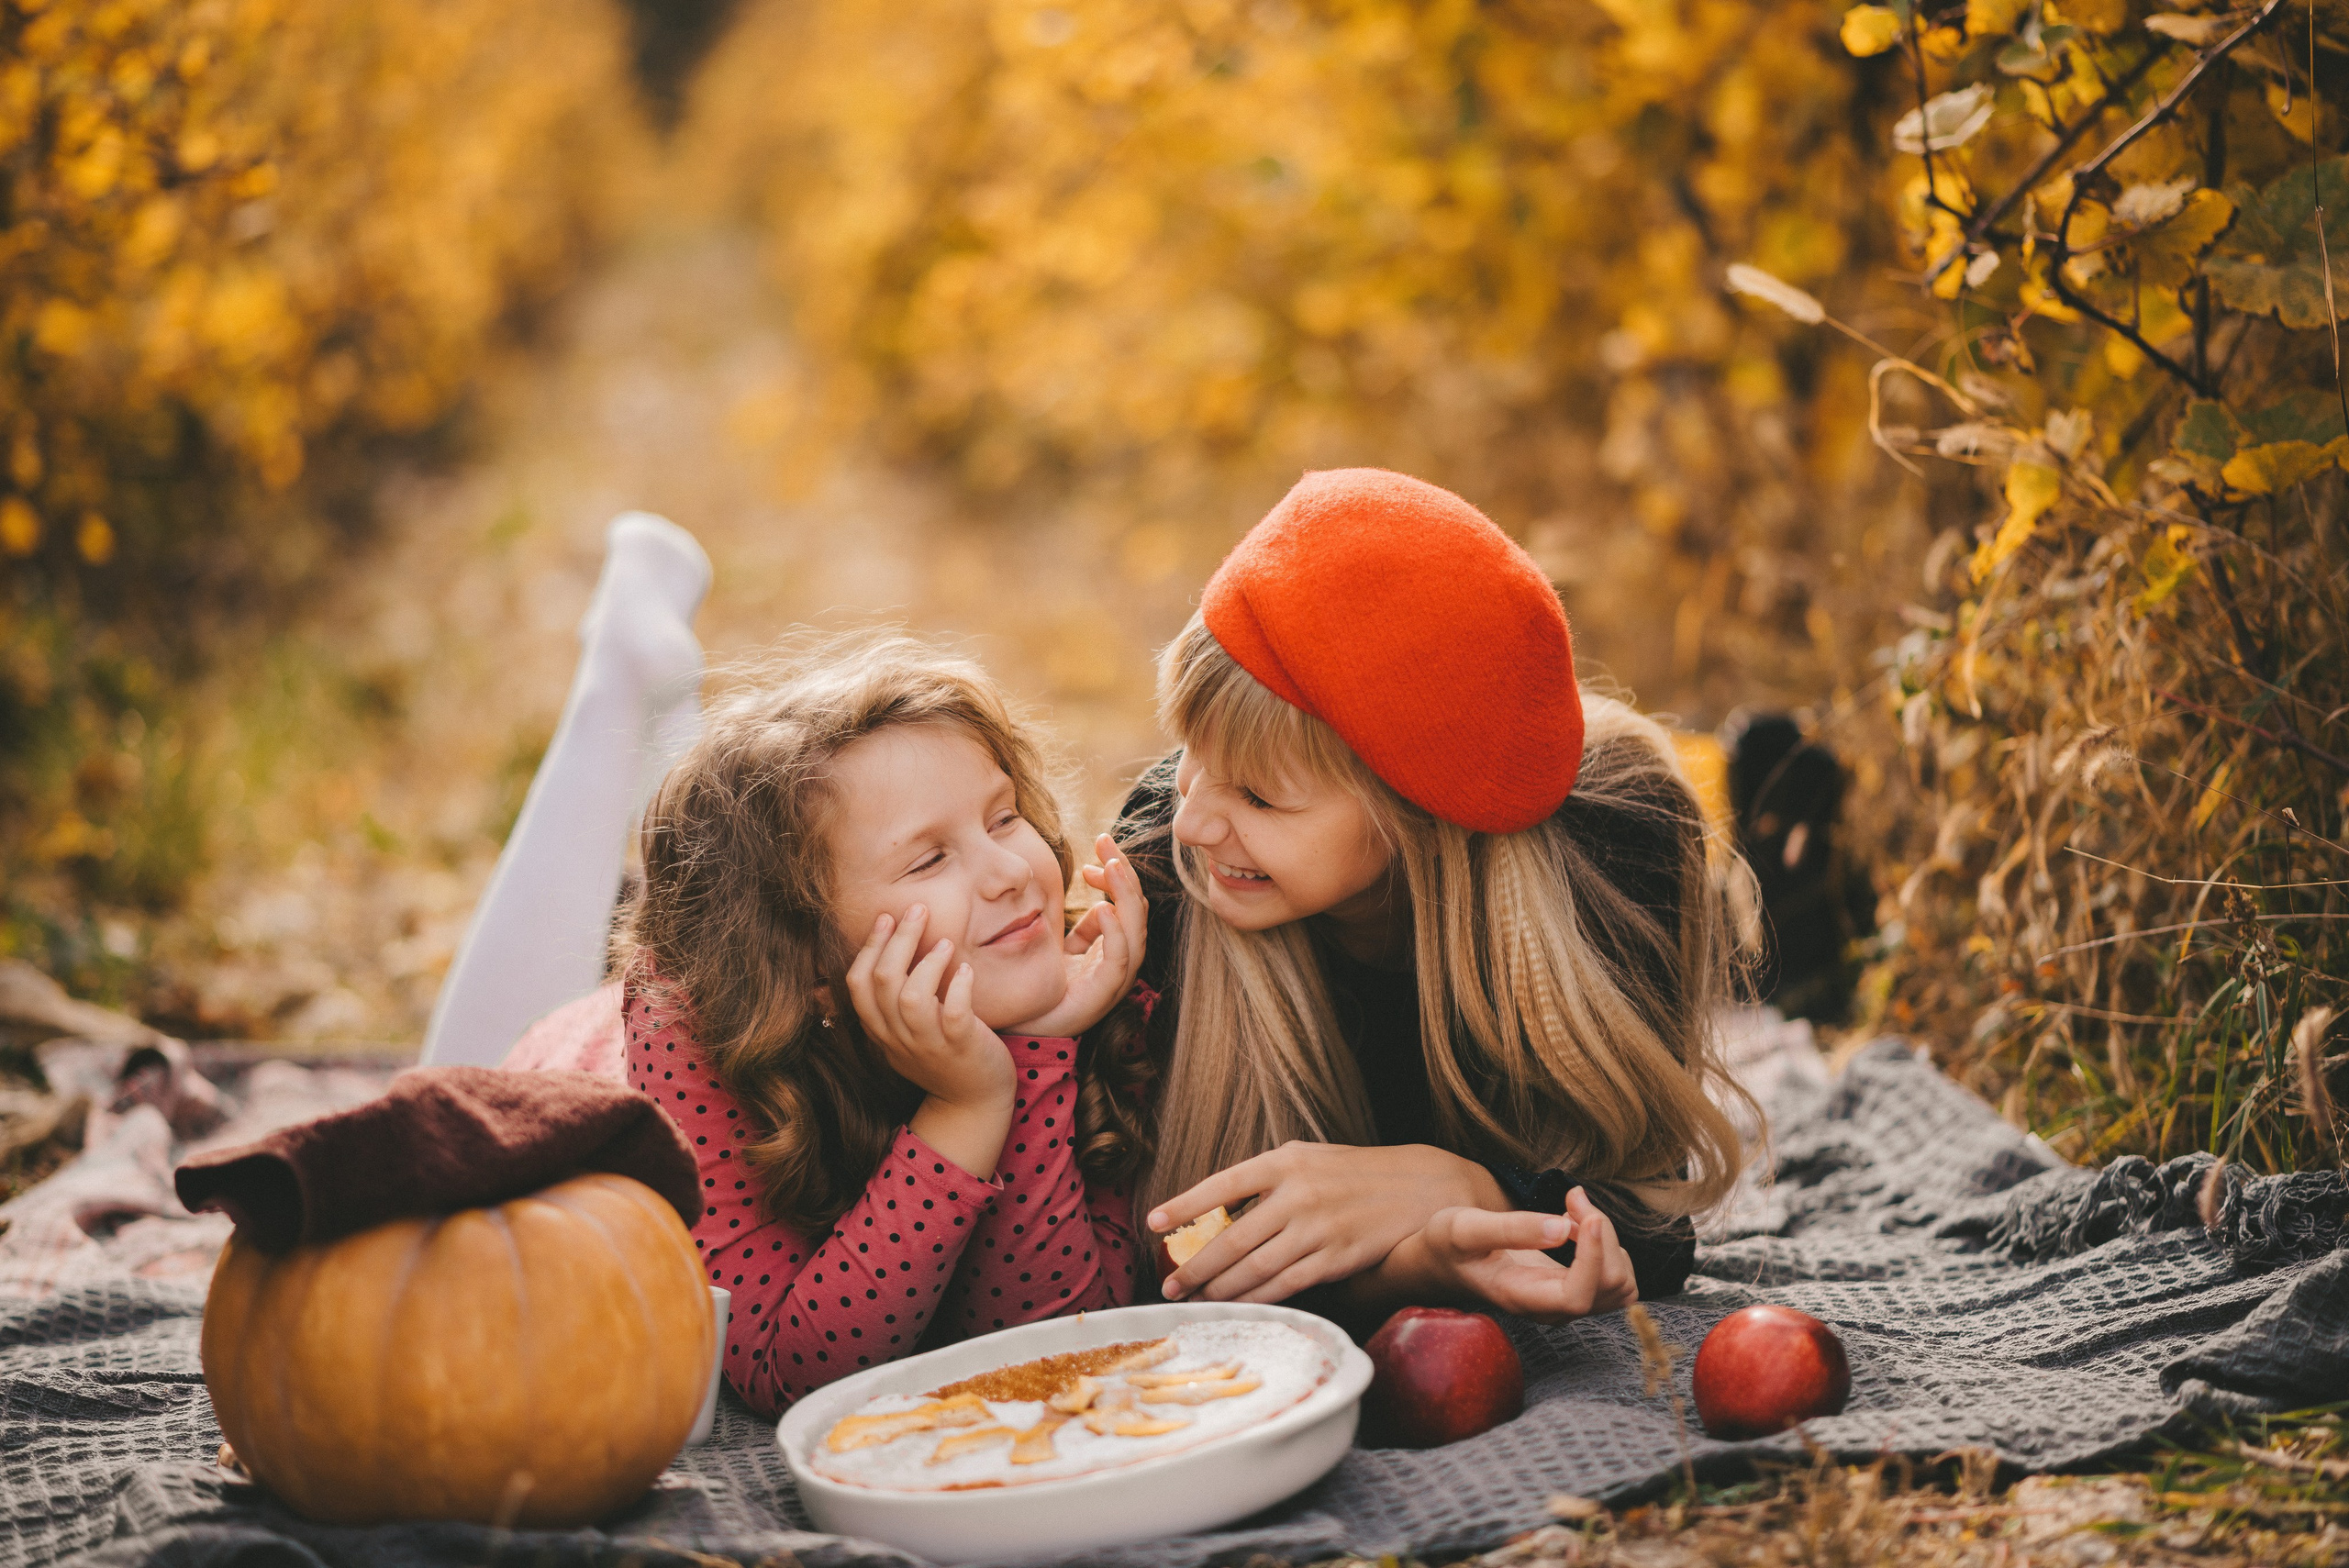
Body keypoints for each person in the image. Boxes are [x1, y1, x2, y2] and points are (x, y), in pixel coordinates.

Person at [1118, 468, 1752, 1326]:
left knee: (1750, 949)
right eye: (1190, 753)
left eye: (1260, 799)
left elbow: (1647, 1222)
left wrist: (1461, 1187)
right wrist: (1406, 1267)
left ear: (1412, 817)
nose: (1193, 820)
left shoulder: (1612, 844)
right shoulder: (1167, 855)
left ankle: (1782, 866)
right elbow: (1162, 1268)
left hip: (1584, 879)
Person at [618, 634, 1153, 1413]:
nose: (1011, 873)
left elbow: (1059, 1343)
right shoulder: (686, 1032)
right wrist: (964, 1107)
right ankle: (627, 671)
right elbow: (785, 1372)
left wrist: (1034, 1048)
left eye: (1003, 818)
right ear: (802, 956)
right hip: (573, 1054)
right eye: (928, 860)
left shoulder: (1088, 984)